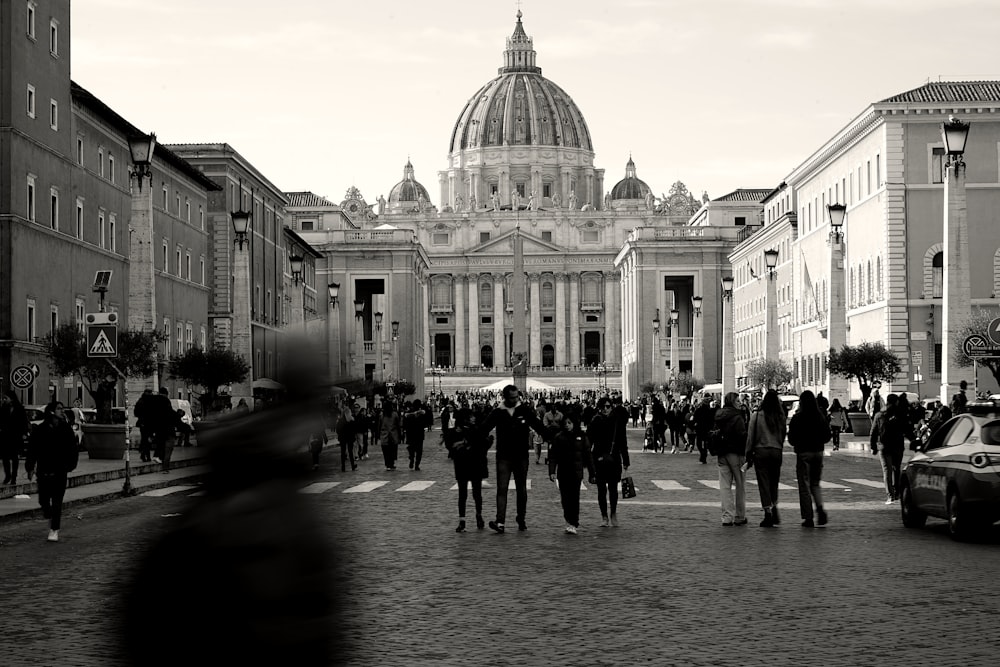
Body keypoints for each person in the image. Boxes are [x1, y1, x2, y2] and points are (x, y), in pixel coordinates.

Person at [480, 384, 551, 533]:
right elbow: (483, 429)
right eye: (512, 397)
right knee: (502, 489)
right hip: (504, 456)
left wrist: (555, 438)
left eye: (516, 397)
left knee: (521, 489)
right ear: (505, 397)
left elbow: (539, 427)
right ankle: (500, 521)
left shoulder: (525, 410)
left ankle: (521, 518)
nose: (515, 399)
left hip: (521, 456)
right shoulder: (498, 412)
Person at [24, 402, 79, 542]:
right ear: (51, 412)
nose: (62, 411)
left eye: (62, 409)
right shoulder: (40, 429)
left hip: (60, 470)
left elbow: (73, 448)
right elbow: (32, 449)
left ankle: (54, 529)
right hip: (44, 470)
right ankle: (49, 515)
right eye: (59, 409)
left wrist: (70, 465)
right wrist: (30, 467)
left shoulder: (65, 429)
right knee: (43, 499)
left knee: (57, 501)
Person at [787, 390, 832, 528]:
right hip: (818, 452)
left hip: (803, 453)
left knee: (804, 486)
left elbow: (791, 439)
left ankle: (808, 517)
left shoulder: (797, 418)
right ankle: (819, 508)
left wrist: (799, 444)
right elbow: (827, 436)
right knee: (815, 483)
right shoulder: (820, 417)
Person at [549, 411, 595, 535]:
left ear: (575, 423)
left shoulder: (582, 437)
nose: (567, 425)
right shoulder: (559, 437)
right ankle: (568, 520)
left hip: (576, 472)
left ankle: (574, 522)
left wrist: (592, 473)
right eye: (565, 423)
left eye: (569, 423)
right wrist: (552, 471)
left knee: (574, 498)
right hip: (563, 472)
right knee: (565, 499)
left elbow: (588, 456)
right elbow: (553, 455)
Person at [444, 408, 490, 532]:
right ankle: (470, 518)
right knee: (471, 493)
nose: (473, 418)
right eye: (471, 416)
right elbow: (451, 447)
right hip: (468, 464)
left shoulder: (473, 430)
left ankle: (468, 519)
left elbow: (482, 445)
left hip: (466, 465)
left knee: (467, 494)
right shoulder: (466, 431)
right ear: (465, 418)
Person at [587, 397, 630, 527]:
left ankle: (613, 514)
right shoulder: (594, 422)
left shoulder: (617, 422)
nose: (606, 409)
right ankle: (604, 516)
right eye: (603, 407)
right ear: (599, 408)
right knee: (601, 490)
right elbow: (588, 443)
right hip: (599, 459)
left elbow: (623, 442)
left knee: (613, 489)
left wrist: (626, 460)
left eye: (608, 406)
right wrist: (589, 463)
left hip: (614, 458)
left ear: (611, 407)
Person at [746, 390, 786, 527]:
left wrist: (748, 452)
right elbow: (783, 434)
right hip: (776, 451)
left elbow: (751, 436)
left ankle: (768, 512)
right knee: (774, 482)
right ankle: (774, 507)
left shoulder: (756, 416)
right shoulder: (780, 416)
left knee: (764, 483)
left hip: (761, 451)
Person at [870, 393, 914, 504]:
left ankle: (890, 496)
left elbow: (873, 433)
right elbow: (907, 430)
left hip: (884, 446)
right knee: (896, 469)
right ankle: (897, 493)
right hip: (898, 446)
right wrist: (914, 441)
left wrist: (873, 447)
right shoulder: (900, 415)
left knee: (887, 471)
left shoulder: (879, 415)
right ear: (897, 402)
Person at [713, 392, 748, 527]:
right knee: (740, 485)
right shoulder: (737, 417)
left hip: (722, 453)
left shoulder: (719, 415)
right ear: (733, 402)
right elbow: (742, 436)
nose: (740, 403)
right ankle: (739, 516)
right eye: (737, 401)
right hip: (736, 453)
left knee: (724, 486)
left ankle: (727, 516)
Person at [1, 390, 29, 485]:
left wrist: (24, 433)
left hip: (16, 437)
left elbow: (24, 422)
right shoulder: (3, 408)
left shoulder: (19, 409)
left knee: (14, 457)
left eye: (6, 398)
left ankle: (14, 477)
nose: (4, 400)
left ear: (11, 398)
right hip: (5, 436)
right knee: (5, 457)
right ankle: (7, 475)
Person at [149, 387, 177, 473]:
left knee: (161, 444)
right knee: (168, 449)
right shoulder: (166, 401)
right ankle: (165, 467)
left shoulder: (152, 401)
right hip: (168, 429)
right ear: (166, 393)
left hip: (158, 429)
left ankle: (157, 456)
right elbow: (171, 414)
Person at [403, 400, 427, 471]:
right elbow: (425, 423)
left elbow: (405, 422)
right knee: (419, 451)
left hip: (411, 434)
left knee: (411, 449)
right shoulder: (422, 414)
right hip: (419, 434)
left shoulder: (409, 413)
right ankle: (417, 465)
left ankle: (411, 459)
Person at [379, 401, 402, 471]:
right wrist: (400, 435)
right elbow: (398, 425)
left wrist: (378, 434)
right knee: (392, 451)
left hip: (384, 436)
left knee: (386, 451)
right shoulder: (394, 414)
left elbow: (379, 426)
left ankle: (388, 464)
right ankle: (391, 464)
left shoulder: (382, 415)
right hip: (393, 435)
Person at [133, 388, 155, 462]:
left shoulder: (141, 401)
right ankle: (146, 455)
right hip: (148, 423)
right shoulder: (150, 401)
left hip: (144, 423)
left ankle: (144, 454)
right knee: (147, 440)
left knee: (145, 439)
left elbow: (136, 413)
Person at [336, 403, 358, 472]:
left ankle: (343, 467)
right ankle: (352, 466)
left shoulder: (341, 420)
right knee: (350, 452)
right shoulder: (351, 419)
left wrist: (340, 435)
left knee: (343, 452)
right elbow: (354, 429)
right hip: (349, 438)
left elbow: (337, 429)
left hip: (343, 438)